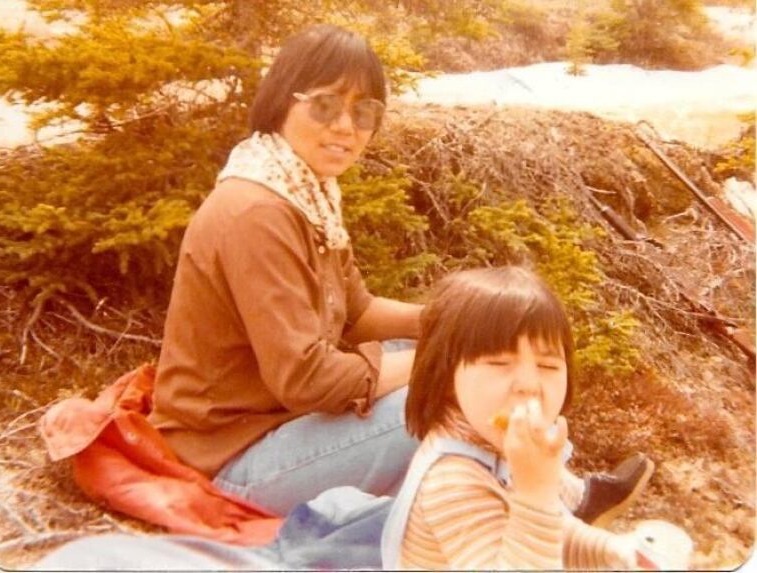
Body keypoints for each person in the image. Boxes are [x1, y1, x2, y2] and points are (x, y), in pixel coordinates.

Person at [148, 24, 651, 519]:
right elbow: (304, 379)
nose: (346, 126)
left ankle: (549, 491)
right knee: (457, 386)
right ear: (283, 100)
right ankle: (555, 508)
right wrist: (450, 350)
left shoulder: (301, 192)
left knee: (447, 364)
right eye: (326, 104)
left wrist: (456, 319)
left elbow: (358, 313)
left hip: (274, 425)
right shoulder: (257, 213)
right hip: (228, 460)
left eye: (365, 111)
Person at [381, 266, 687, 570]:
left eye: (548, 366)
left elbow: (552, 530)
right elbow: (533, 522)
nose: (529, 385)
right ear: (447, 378)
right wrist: (535, 491)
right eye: (499, 363)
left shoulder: (495, 449)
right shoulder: (453, 482)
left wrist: (617, 552)